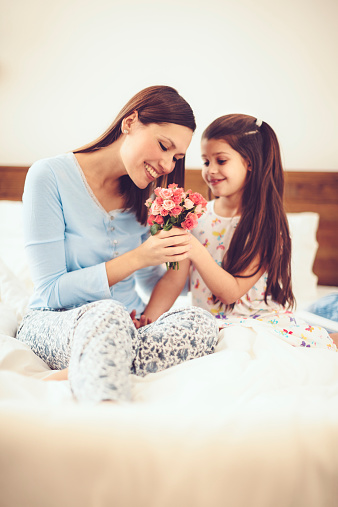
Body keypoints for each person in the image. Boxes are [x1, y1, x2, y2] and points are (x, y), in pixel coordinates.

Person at [16, 85, 219, 403]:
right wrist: (139, 257)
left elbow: (153, 285)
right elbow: (50, 291)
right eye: (164, 146)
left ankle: (90, 363)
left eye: (176, 157)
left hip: (126, 326)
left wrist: (180, 249)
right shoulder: (49, 176)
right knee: (107, 314)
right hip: (54, 321)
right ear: (130, 122)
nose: (168, 165)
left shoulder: (144, 198)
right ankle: (106, 414)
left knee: (201, 323)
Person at [143, 114, 337, 352]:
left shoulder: (265, 225)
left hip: (256, 323)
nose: (211, 170)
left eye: (221, 160)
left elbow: (231, 293)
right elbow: (174, 280)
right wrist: (146, 322)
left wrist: (194, 248)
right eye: (205, 162)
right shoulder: (195, 216)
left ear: (250, 163)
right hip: (208, 325)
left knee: (309, 347)